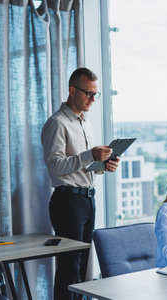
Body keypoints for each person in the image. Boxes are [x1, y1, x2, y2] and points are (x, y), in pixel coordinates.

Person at [41, 67, 119, 300]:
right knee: (69, 268)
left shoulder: (85, 123)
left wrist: (102, 166)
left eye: (96, 94)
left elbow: (82, 167)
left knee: (82, 268)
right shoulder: (57, 123)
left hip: (86, 199)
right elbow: (56, 166)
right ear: (72, 90)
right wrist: (89, 155)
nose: (93, 99)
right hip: (67, 201)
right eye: (88, 93)